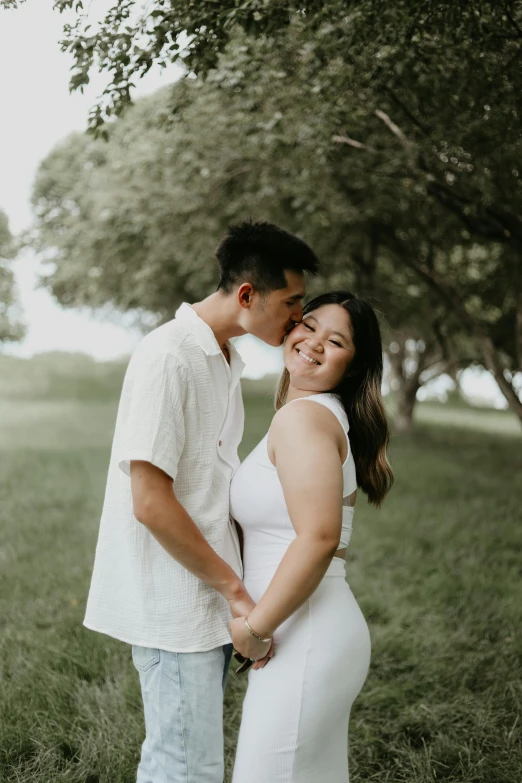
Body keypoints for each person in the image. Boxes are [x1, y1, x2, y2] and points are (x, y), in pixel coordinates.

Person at [83, 219, 320, 783]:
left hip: (208, 600)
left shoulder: (223, 358)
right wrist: (236, 592)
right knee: (185, 770)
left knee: (185, 762)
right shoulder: (170, 356)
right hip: (174, 604)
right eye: (291, 301)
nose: (299, 318)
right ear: (247, 294)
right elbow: (150, 501)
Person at [229, 291, 394, 783]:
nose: (314, 342)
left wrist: (255, 631)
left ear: (354, 364)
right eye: (310, 325)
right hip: (308, 633)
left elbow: (319, 538)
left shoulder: (303, 419)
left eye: (337, 340)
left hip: (302, 638)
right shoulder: (313, 416)